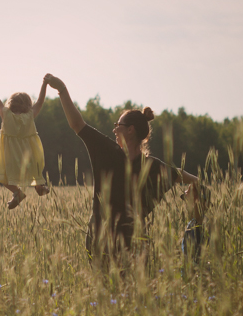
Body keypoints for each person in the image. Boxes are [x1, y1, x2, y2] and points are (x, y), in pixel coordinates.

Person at [43, 73, 203, 263]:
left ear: (130, 130)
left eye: (117, 125)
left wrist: (62, 89)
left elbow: (77, 124)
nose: (114, 129)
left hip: (115, 242)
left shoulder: (114, 154)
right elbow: (195, 181)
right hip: (120, 243)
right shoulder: (149, 165)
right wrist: (61, 90)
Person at [0, 77, 50, 209]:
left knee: (4, 179)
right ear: (29, 105)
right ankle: (39, 188)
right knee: (34, 175)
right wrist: (45, 84)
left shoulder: (6, 115)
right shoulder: (30, 115)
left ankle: (17, 192)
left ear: (10, 103)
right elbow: (40, 101)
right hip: (30, 157)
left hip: (10, 158)